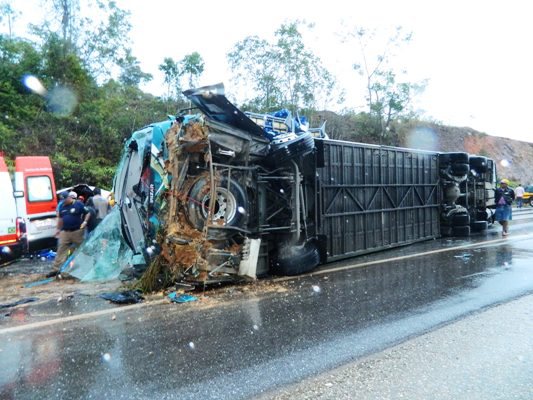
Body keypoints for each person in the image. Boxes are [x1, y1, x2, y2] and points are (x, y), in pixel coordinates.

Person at [47, 191, 90, 277]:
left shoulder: (78, 204)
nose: (63, 201)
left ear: (69, 197)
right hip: (65, 232)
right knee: (61, 250)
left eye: (65, 199)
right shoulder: (62, 206)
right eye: (62, 200)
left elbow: (88, 213)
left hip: (77, 231)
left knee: (83, 249)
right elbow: (60, 219)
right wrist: (58, 229)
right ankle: (56, 269)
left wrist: (85, 222)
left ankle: (89, 267)